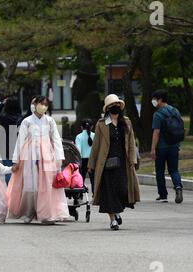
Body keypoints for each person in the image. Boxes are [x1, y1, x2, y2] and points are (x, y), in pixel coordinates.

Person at [8, 96, 71, 225]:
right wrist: (16, 160)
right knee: (31, 184)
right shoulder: (27, 121)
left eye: (45, 104)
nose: (43, 106)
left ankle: (47, 214)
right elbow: (20, 140)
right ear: (35, 104)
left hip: (47, 155)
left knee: (47, 184)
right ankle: (29, 212)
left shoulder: (50, 121)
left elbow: (56, 139)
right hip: (30, 155)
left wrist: (59, 157)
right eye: (41, 103)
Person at [88, 94, 140, 231]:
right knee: (109, 193)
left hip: (123, 163)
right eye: (111, 105)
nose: (114, 107)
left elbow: (131, 143)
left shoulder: (126, 122)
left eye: (116, 105)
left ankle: (117, 211)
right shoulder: (101, 124)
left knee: (123, 190)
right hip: (106, 164)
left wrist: (133, 160)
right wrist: (91, 164)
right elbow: (96, 145)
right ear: (107, 108)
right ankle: (112, 221)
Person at [150, 89, 184, 204]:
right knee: (174, 169)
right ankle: (178, 186)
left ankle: (163, 195)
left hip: (161, 147)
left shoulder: (158, 114)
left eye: (154, 99)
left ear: (160, 100)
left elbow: (156, 132)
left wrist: (153, 149)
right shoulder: (175, 111)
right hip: (174, 145)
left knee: (160, 171)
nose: (153, 101)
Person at [0, 97, 23, 184]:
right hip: (19, 148)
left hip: (6, 148)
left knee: (8, 170)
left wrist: (2, 103)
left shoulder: (4, 118)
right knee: (19, 171)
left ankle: (10, 192)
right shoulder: (21, 119)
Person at [75, 119, 95, 192]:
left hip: (83, 160)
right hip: (93, 160)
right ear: (92, 127)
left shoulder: (79, 137)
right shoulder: (95, 135)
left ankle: (79, 195)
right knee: (94, 179)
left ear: (81, 127)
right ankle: (94, 195)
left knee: (80, 178)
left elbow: (78, 150)